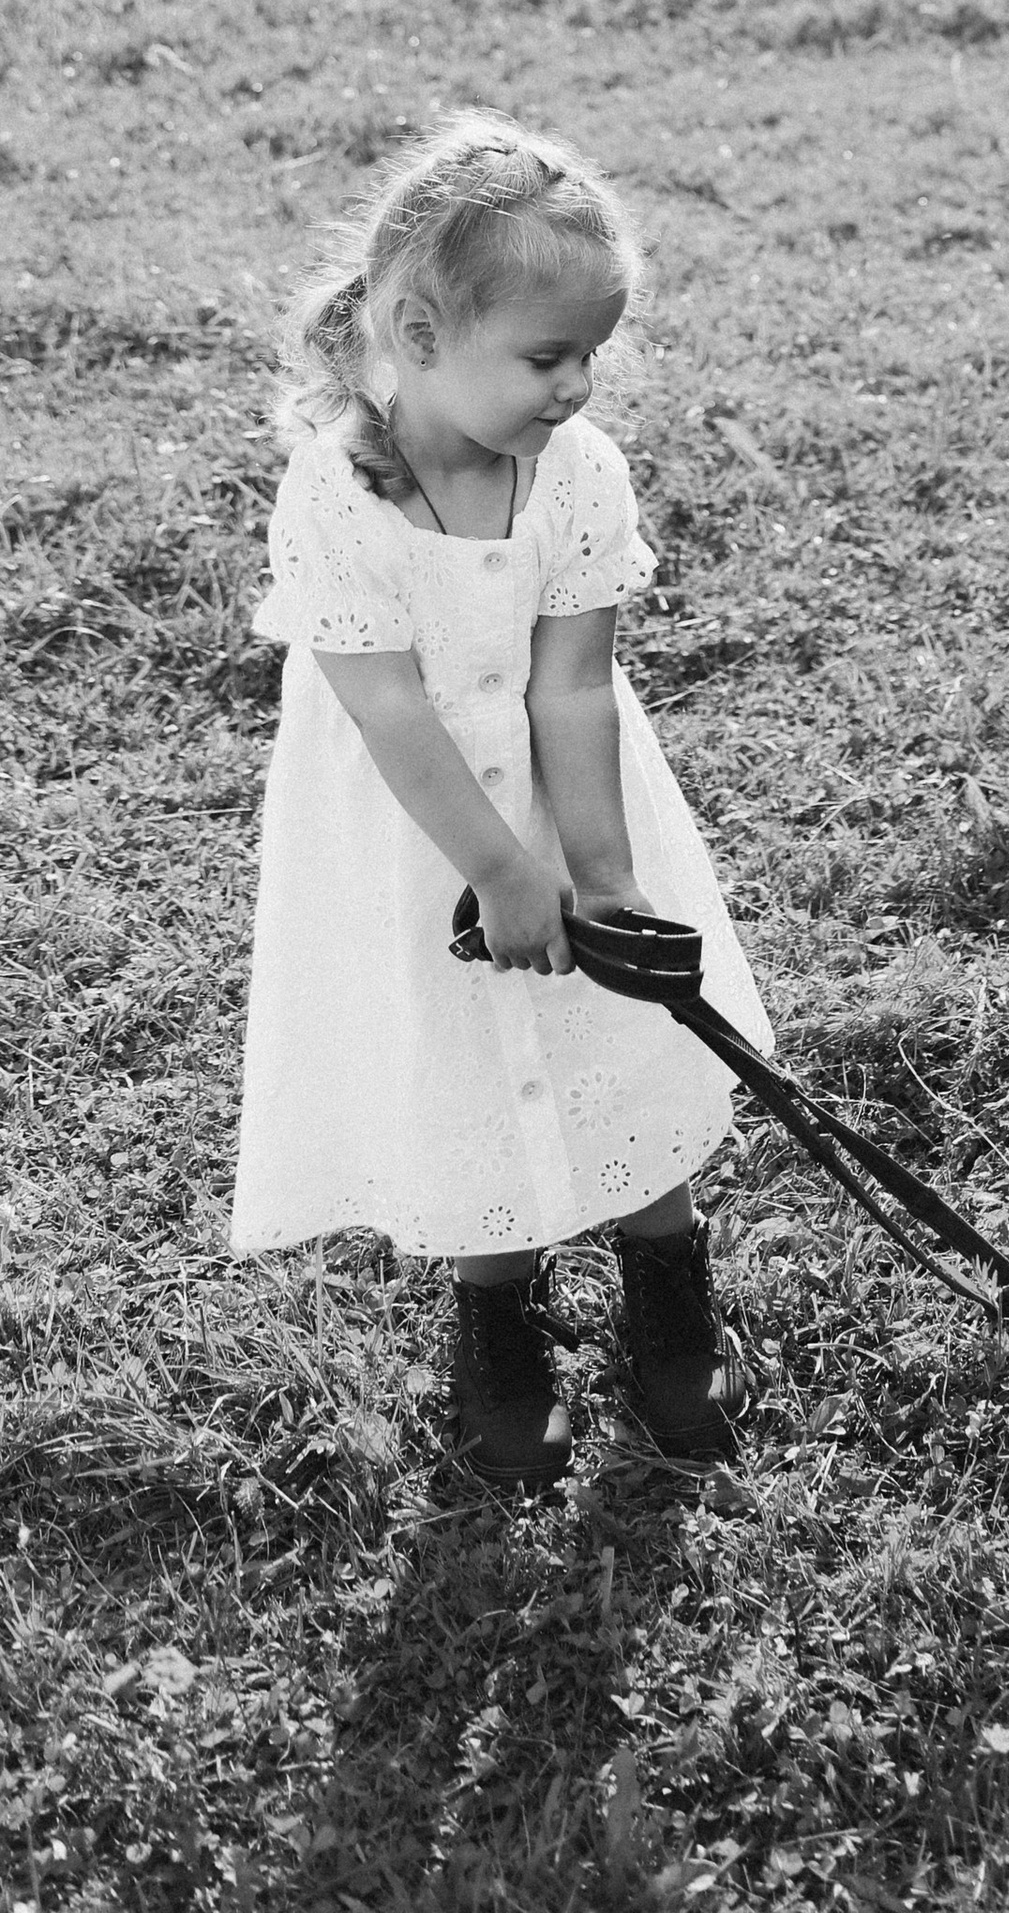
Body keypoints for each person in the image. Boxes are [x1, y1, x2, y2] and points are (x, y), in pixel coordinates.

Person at [229, 111, 772, 1487]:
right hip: (421, 838)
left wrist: (591, 873)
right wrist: (494, 869)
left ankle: (666, 1281)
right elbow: (390, 714)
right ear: (415, 332)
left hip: (572, 805)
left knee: (619, 1037)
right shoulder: (336, 502)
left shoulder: (577, 478)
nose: (578, 385)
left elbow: (573, 688)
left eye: (593, 350)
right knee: (465, 1057)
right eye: (547, 356)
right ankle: (499, 1318)